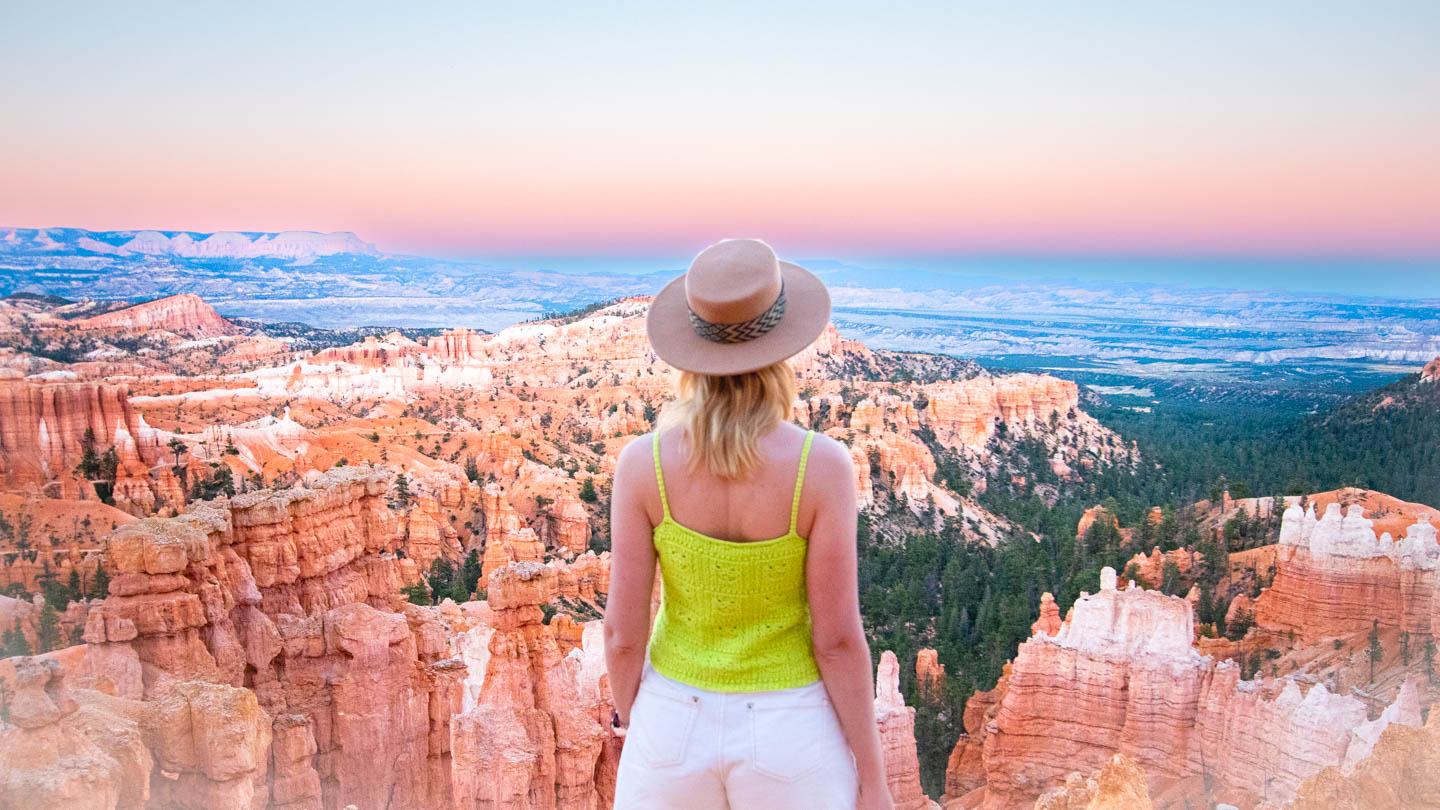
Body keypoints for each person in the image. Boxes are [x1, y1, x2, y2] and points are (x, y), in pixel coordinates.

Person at [605, 239, 892, 810]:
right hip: (791, 730)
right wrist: (873, 777)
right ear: (781, 350)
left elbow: (622, 632)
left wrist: (633, 718)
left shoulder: (644, 465)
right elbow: (836, 640)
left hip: (671, 722)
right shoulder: (821, 467)